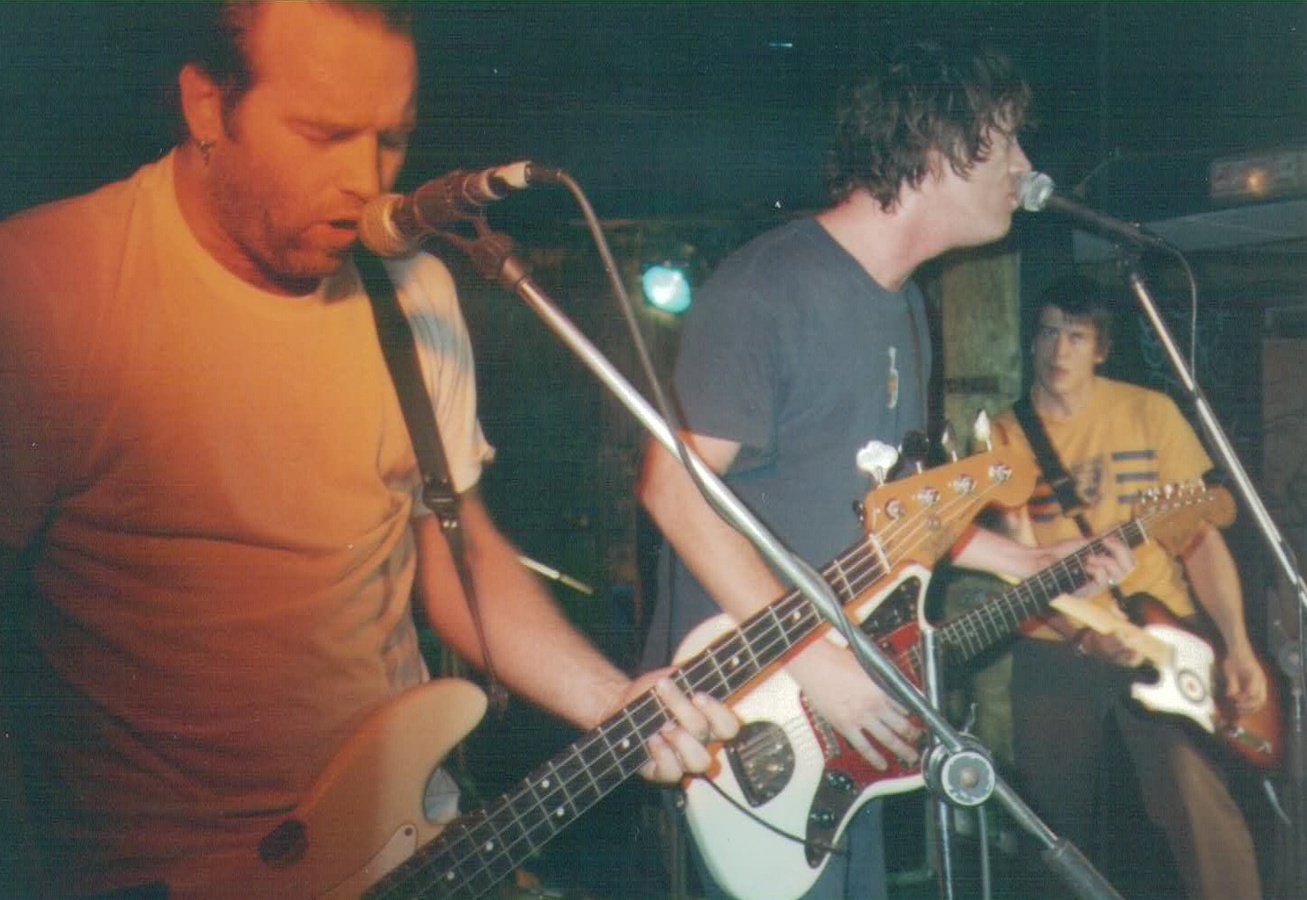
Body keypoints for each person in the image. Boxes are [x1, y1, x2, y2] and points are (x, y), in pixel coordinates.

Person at [0, 3, 737, 896]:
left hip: (407, 840)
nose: (366, 180)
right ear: (207, 107)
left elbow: (457, 551)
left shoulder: (413, 295)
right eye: (323, 134)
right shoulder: (45, 289)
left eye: (391, 140)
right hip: (164, 872)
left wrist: (612, 701)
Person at [637, 40, 1129, 900]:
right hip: (752, 721)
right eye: (1007, 139)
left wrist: (1020, 560)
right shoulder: (769, 287)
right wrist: (814, 664)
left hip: (844, 712)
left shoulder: (904, 306)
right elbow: (671, 490)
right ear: (937, 150)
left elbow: (886, 512)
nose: (1025, 166)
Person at [987, 273, 1268, 899]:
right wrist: (1084, 638)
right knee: (1050, 826)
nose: (1059, 350)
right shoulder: (1005, 434)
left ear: (1102, 349)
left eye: (1076, 336)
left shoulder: (1151, 412)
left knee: (1199, 806)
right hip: (1055, 645)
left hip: (1163, 636)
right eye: (1048, 333)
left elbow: (1200, 541)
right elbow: (1018, 563)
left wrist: (1237, 645)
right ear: (1031, 342)